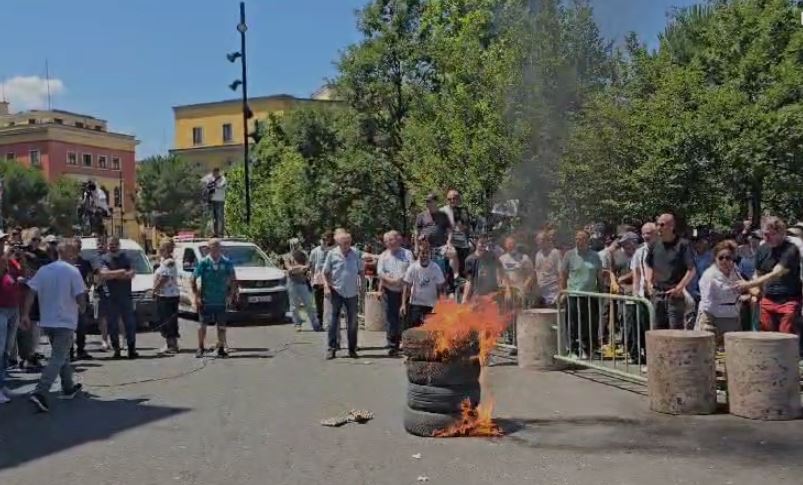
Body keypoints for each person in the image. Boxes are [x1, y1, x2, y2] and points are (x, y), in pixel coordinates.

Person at [23, 240, 86, 413]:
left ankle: (68, 386)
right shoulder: (73, 271)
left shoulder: (44, 270)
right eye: (74, 251)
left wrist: (25, 314)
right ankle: (40, 392)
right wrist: (83, 308)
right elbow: (80, 296)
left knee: (62, 354)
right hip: (65, 321)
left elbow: (31, 291)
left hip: (48, 321)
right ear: (69, 253)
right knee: (58, 357)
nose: (75, 255)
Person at [737, 217, 801, 334]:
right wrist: (755, 289)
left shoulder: (791, 249)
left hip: (789, 300)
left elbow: (776, 273)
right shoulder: (762, 249)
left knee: (786, 335)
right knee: (766, 336)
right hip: (768, 298)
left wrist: (748, 284)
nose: (765, 238)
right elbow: (758, 273)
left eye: (769, 234)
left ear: (781, 233)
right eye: (764, 234)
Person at [645, 214, 696, 330]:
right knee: (657, 329)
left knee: (675, 330)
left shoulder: (683, 244)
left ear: (672, 226)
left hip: (674, 295)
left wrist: (680, 287)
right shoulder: (654, 244)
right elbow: (648, 264)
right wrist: (648, 282)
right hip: (657, 293)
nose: (658, 227)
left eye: (662, 224)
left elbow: (691, 269)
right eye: (657, 224)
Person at [191, 238, 237, 358]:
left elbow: (233, 279)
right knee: (202, 325)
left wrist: (231, 295)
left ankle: (221, 347)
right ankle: (200, 347)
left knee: (221, 326)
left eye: (217, 247)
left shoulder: (226, 262)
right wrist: (196, 296)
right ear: (208, 249)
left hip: (221, 300)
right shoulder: (204, 262)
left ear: (220, 248)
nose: (215, 249)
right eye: (212, 247)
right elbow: (193, 278)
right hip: (206, 299)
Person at [560, 230, 603, 357]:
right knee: (573, 324)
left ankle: (589, 349)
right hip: (574, 295)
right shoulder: (569, 255)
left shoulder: (595, 256)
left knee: (590, 324)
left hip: (591, 295)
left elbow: (599, 275)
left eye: (582, 238)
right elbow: (563, 275)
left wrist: (602, 292)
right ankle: (573, 349)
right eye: (577, 238)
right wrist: (562, 292)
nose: (578, 241)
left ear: (587, 240)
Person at [323, 229, 364, 360]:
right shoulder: (332, 254)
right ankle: (332, 348)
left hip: (352, 292)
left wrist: (362, 287)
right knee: (333, 322)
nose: (347, 244)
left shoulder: (356, 253)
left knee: (352, 322)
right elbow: (325, 272)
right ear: (338, 242)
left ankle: (352, 349)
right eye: (344, 242)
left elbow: (361, 271)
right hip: (336, 291)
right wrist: (326, 286)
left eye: (349, 241)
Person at [697, 240, 745, 346]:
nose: (724, 261)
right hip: (713, 318)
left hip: (733, 317)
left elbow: (740, 290)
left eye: (728, 258)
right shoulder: (709, 275)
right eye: (721, 258)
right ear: (715, 258)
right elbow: (706, 303)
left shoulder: (735, 272)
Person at [99, 236, 138, 359]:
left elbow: (131, 274)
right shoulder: (104, 259)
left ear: (118, 245)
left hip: (125, 296)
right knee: (112, 325)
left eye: (115, 244)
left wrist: (114, 275)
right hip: (111, 297)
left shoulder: (126, 258)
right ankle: (117, 350)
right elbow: (104, 275)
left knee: (130, 324)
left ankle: (132, 350)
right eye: (110, 244)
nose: (112, 246)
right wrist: (121, 272)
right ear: (107, 245)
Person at [377, 230, 413, 355]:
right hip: (389, 290)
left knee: (404, 317)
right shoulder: (383, 256)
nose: (389, 243)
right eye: (387, 241)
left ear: (399, 239)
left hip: (404, 290)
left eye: (391, 240)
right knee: (391, 318)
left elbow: (411, 269)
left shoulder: (407, 254)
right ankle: (392, 344)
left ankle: (405, 343)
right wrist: (391, 281)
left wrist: (401, 279)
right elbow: (380, 272)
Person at [402, 235, 446, 328]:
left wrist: (440, 306)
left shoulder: (435, 268)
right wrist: (403, 304)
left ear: (430, 254)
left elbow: (441, 288)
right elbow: (407, 287)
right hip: (416, 303)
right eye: (422, 253)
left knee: (430, 330)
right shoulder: (413, 267)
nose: (424, 255)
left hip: (431, 304)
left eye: (426, 253)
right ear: (419, 254)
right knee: (415, 328)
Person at [629, 222, 657, 364]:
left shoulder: (662, 250)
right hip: (642, 296)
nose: (646, 236)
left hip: (658, 295)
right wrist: (635, 294)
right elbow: (636, 275)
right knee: (643, 327)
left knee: (657, 327)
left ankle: (656, 356)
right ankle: (645, 355)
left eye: (649, 233)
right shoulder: (639, 252)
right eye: (644, 233)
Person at [415, 193, 452, 277]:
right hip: (425, 248)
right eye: (426, 201)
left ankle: (442, 288)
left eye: (429, 201)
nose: (427, 203)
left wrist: (449, 243)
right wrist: (416, 247)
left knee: (440, 271)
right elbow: (416, 232)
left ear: (435, 202)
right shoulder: (421, 216)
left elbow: (449, 230)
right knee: (424, 271)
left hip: (440, 247)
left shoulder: (443, 215)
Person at [154, 239, 180, 354]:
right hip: (164, 295)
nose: (159, 251)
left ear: (168, 250)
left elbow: (164, 278)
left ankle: (172, 345)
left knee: (169, 320)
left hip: (169, 296)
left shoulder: (169, 262)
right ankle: (169, 343)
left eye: (161, 249)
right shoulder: (163, 261)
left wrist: (154, 290)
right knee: (165, 319)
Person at [285, 247, 322, 332]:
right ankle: (297, 324)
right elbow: (289, 269)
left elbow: (307, 266)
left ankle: (315, 324)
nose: (295, 246)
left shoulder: (304, 255)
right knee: (294, 305)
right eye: (293, 245)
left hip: (303, 282)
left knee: (309, 304)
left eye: (296, 244)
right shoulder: (288, 256)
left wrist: (297, 269)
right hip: (292, 283)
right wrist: (300, 268)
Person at [0, 251, 20, 404]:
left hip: (13, 308)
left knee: (7, 349)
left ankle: (2, 384)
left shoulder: (11, 260)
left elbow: (21, 272)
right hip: (1, 309)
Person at [440, 189, 472, 280]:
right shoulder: (442, 211)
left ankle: (463, 284)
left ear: (459, 199)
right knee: (451, 254)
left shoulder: (463, 211)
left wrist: (462, 227)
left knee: (468, 257)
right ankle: (451, 285)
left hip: (461, 241)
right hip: (446, 242)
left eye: (454, 198)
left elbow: (466, 227)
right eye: (449, 199)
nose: (452, 201)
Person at [71, 237, 94, 361]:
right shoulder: (66, 262)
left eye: (79, 247)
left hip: (81, 297)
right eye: (75, 247)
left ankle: (81, 350)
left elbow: (90, 278)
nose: (77, 249)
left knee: (81, 325)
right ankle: (69, 352)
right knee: (69, 325)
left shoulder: (85, 262)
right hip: (68, 298)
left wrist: (88, 287)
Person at [463, 234, 503, 302]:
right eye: (481, 242)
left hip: (492, 294)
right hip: (478, 296)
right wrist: (464, 298)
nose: (483, 245)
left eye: (486, 242)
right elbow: (469, 281)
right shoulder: (470, 259)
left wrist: (501, 286)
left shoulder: (492, 256)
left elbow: (500, 270)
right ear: (476, 242)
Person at [309, 231, 335, 327]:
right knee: (318, 302)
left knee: (330, 302)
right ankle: (319, 321)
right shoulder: (315, 251)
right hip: (318, 279)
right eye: (323, 239)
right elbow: (312, 266)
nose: (324, 241)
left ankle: (331, 322)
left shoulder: (333, 251)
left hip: (330, 279)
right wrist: (312, 278)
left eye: (326, 239)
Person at [534, 229, 562, 306]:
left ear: (547, 240)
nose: (539, 242)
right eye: (538, 240)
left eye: (542, 240)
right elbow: (537, 272)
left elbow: (560, 273)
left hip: (553, 292)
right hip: (542, 292)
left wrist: (560, 292)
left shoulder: (555, 253)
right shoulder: (538, 254)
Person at [202, 168, 228, 237]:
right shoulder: (210, 177)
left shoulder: (222, 179)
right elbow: (203, 181)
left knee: (219, 218)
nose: (214, 173)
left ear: (218, 172)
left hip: (220, 200)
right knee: (212, 217)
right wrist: (209, 183)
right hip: (211, 200)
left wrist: (214, 184)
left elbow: (221, 186)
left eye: (216, 172)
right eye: (213, 171)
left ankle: (220, 233)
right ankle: (213, 233)